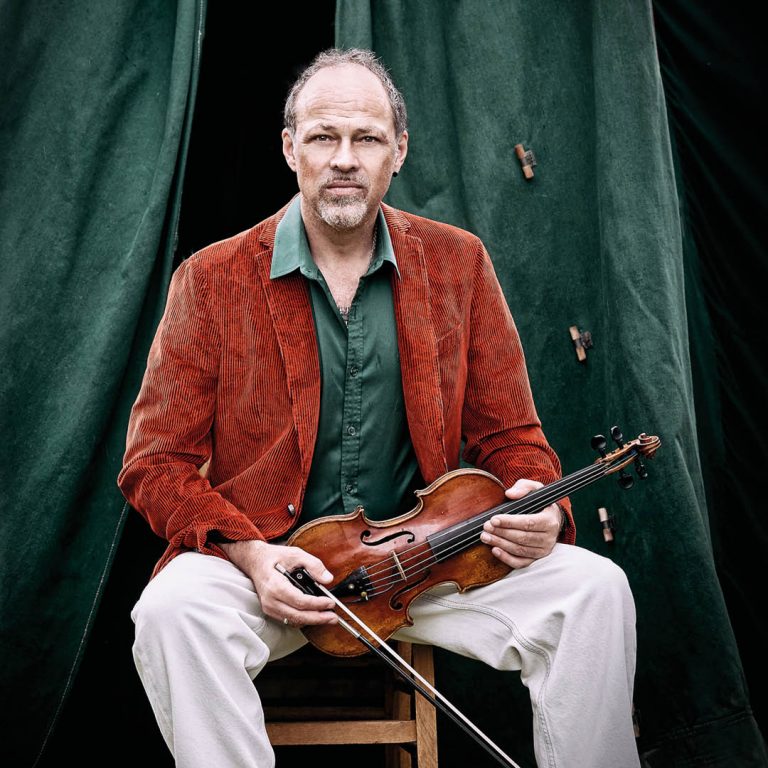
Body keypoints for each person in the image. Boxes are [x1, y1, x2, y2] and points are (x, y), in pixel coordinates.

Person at [118, 48, 640, 768]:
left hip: (426, 564)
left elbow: (514, 438)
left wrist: (544, 510)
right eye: (322, 137)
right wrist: (247, 552)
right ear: (288, 147)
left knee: (596, 591)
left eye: (365, 138)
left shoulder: (459, 264)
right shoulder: (210, 279)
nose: (343, 159)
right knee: (170, 613)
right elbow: (155, 464)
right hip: (269, 566)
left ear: (398, 149)